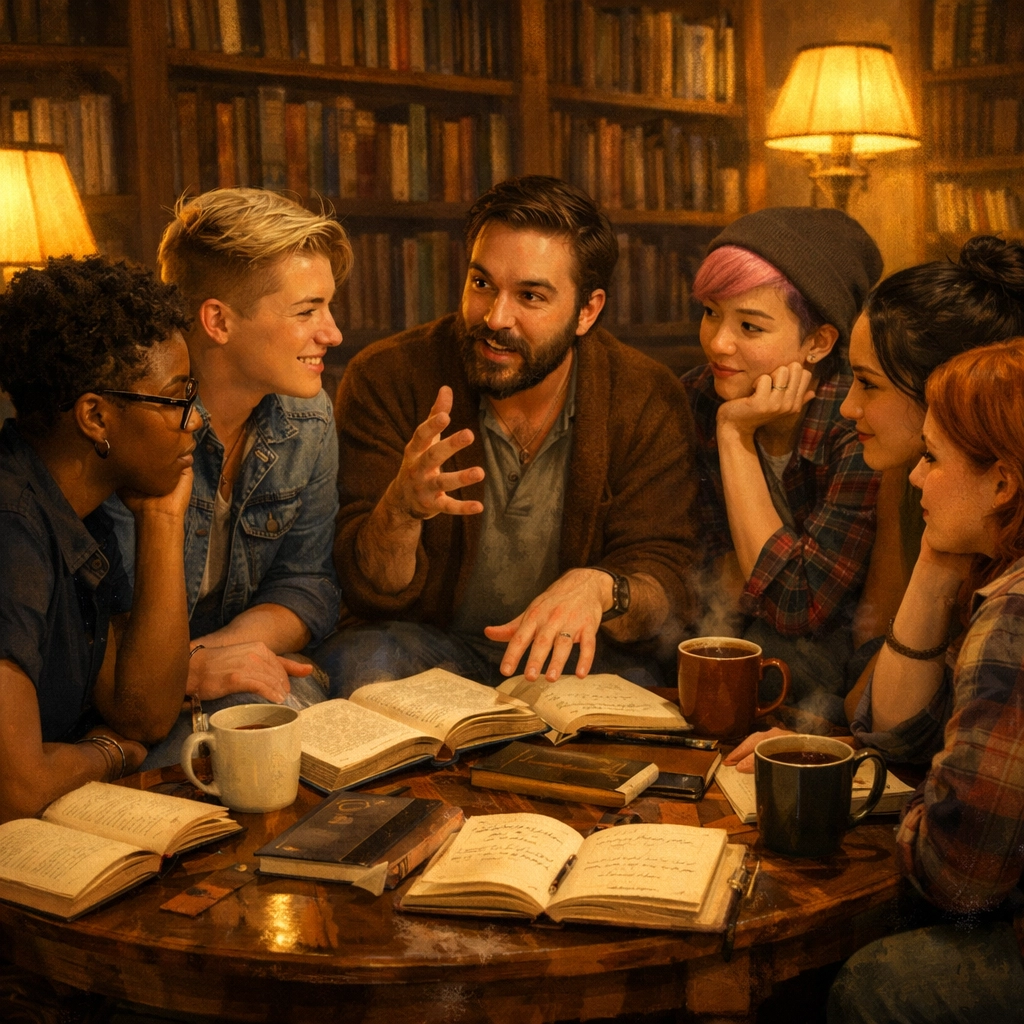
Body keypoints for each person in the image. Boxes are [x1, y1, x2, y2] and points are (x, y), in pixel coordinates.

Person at [317, 175, 699, 693]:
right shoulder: (387, 377)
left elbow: (666, 586)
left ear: (587, 311)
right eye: (481, 284)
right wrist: (400, 512)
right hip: (430, 647)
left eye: (531, 296)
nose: (496, 317)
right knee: (363, 661)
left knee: (641, 695)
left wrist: (603, 588)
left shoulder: (645, 395)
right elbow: (367, 593)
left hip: (579, 656)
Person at [108, 188, 351, 767]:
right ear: (217, 320)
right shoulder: (132, 425)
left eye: (328, 308)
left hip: (243, 668)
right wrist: (187, 669)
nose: (333, 333)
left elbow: (309, 584)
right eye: (307, 311)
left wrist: (218, 651)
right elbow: (80, 629)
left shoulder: (308, 416)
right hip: (121, 706)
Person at [826, 338, 1024, 1024]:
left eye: (934, 458)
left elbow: (959, 876)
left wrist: (905, 811)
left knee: (882, 983)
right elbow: (900, 735)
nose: (915, 476)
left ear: (1002, 484)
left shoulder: (1014, 621)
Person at [0, 255, 198, 821]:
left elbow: (142, 714)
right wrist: (108, 754)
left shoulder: (80, 509)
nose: (196, 420)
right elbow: (15, 791)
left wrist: (162, 520)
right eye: (177, 398)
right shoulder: (12, 529)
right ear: (96, 417)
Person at [681, 207, 883, 727]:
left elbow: (800, 604)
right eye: (710, 312)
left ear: (818, 342)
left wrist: (735, 434)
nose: (718, 343)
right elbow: (699, 567)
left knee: (788, 656)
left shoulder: (855, 422)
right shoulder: (698, 395)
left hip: (828, 661)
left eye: (749, 325)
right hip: (724, 631)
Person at [841, 235, 1024, 718]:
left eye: (868, 384)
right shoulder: (911, 478)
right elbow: (870, 707)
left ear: (945, 388)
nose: (847, 407)